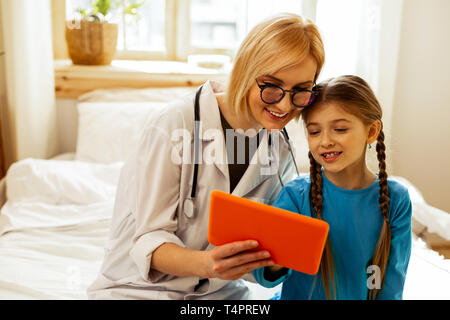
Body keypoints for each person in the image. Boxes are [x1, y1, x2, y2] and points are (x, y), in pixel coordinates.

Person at [87, 13, 325, 300]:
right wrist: (210, 265)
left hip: (219, 295)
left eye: (301, 91)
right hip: (137, 290)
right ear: (246, 71)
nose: (285, 104)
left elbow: (256, 257)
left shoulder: (281, 148)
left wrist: (277, 261)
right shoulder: (174, 124)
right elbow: (148, 241)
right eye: (272, 86)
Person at [253, 75, 412, 300]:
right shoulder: (295, 196)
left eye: (339, 129)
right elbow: (264, 276)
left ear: (371, 131)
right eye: (314, 131)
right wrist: (276, 260)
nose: (325, 141)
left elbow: (392, 283)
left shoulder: (396, 199)